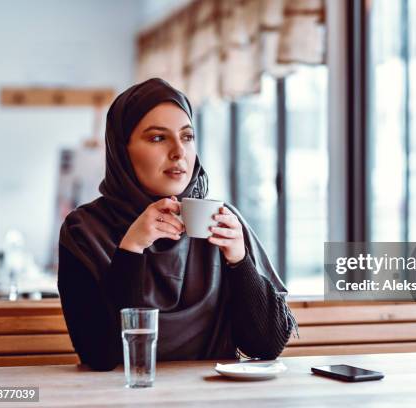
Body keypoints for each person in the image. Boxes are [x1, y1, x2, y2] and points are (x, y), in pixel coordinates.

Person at [57, 78, 297, 371]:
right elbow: (100, 355)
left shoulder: (221, 223)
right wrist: (132, 248)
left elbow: (266, 347)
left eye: (187, 137)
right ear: (122, 151)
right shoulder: (84, 230)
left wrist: (239, 260)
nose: (179, 152)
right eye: (158, 138)